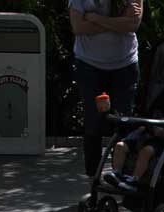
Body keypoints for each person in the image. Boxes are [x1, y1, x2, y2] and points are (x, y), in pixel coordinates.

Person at [68, 0, 143, 177]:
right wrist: (118, 22)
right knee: (93, 123)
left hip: (124, 63)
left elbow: (133, 24)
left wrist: (94, 18)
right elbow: (78, 27)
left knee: (125, 122)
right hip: (89, 64)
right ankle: (93, 178)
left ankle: (124, 176)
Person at [102, 90, 164, 191]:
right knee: (120, 146)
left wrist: (163, 134)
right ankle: (117, 174)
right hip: (142, 139)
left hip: (159, 145)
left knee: (146, 151)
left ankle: (134, 179)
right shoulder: (162, 117)